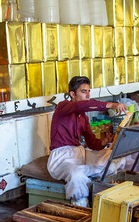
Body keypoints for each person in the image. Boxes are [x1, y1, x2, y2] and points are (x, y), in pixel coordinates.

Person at [47, 76, 129, 206]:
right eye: (84, 91)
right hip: (62, 158)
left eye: (88, 91)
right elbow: (86, 105)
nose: (88, 95)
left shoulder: (83, 117)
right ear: (72, 94)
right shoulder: (62, 107)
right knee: (76, 174)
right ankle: (81, 205)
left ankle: (99, 186)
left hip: (80, 154)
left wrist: (105, 141)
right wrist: (112, 105)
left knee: (114, 157)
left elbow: (92, 143)